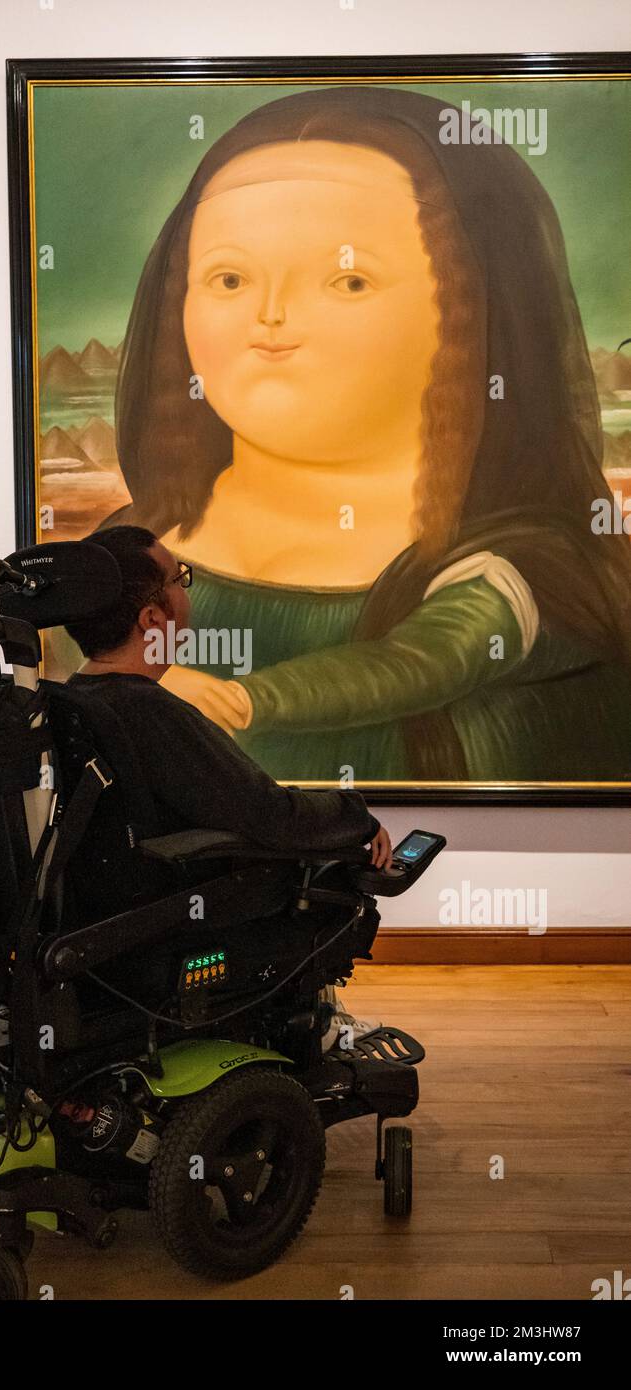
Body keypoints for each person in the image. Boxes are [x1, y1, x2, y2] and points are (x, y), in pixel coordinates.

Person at [92, 85, 631, 787]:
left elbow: (422, 662)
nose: (272, 317)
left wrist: (236, 700)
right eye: (229, 278)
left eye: (348, 281)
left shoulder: (524, 570)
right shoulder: (126, 549)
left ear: (468, 315)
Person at [64, 525, 390, 1037]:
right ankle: (321, 1031)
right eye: (180, 580)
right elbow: (268, 816)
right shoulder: (149, 711)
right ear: (153, 618)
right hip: (163, 935)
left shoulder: (70, 702)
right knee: (330, 881)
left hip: (98, 937)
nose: (186, 593)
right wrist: (354, 817)